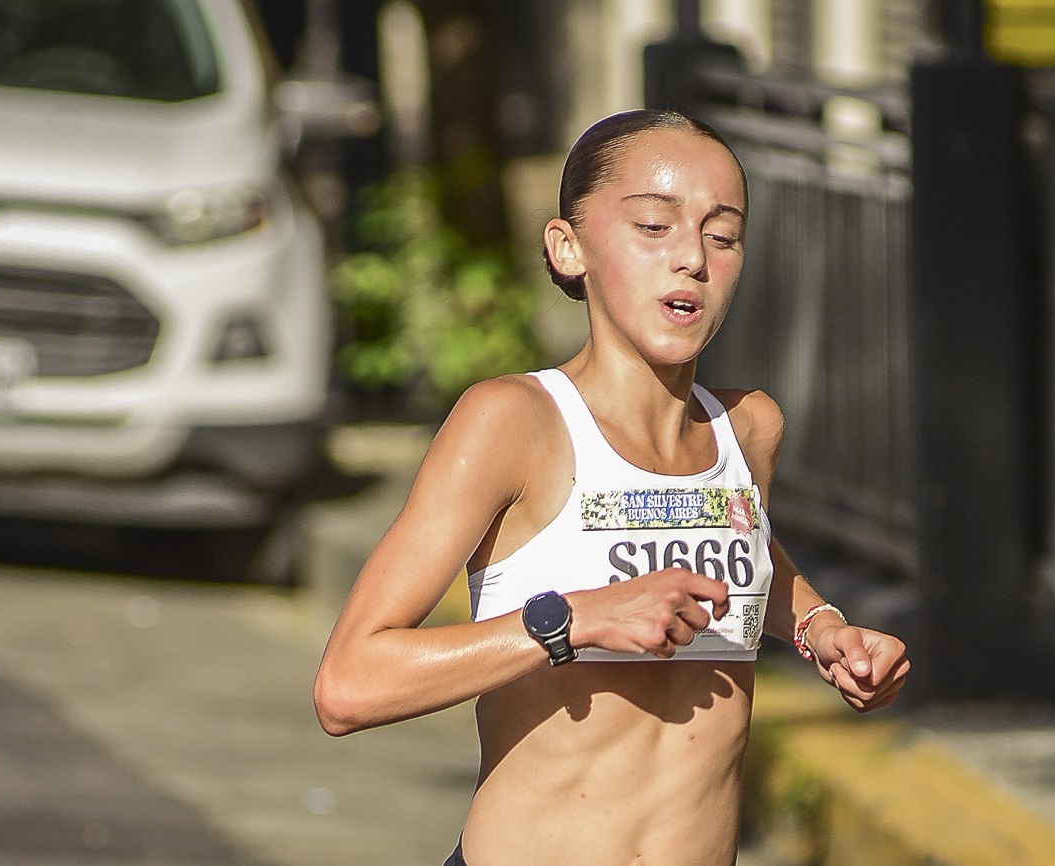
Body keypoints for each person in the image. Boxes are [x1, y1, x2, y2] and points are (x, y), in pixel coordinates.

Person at [314, 109, 910, 866]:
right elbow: (348, 685)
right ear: (569, 249)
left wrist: (823, 630)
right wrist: (580, 619)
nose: (692, 257)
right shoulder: (515, 423)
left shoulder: (748, 429)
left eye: (722, 235)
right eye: (655, 227)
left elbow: (747, 549)